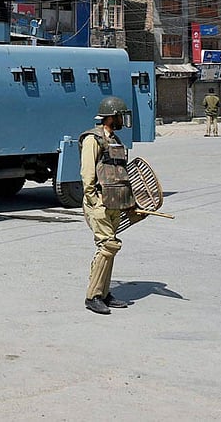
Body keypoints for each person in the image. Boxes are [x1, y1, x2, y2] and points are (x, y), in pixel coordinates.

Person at [79, 96, 144, 315]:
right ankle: (93, 297)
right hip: (100, 203)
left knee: (110, 249)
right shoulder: (93, 139)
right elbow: (88, 174)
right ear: (110, 116)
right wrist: (93, 200)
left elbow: (121, 174)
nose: (122, 120)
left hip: (116, 203)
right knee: (108, 246)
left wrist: (129, 204)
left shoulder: (115, 140)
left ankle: (104, 293)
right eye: (120, 116)